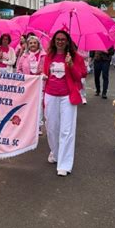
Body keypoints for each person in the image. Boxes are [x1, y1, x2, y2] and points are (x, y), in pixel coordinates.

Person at [43, 30, 86, 177]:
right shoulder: (49, 56)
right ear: (54, 41)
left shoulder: (76, 57)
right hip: (50, 95)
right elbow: (45, 74)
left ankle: (65, 164)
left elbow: (80, 76)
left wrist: (71, 65)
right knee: (51, 127)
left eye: (63, 39)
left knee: (66, 131)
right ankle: (55, 153)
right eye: (57, 39)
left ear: (67, 41)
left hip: (67, 97)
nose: (60, 41)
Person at [16, 35, 47, 135]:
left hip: (40, 84)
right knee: (27, 104)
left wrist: (43, 74)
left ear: (38, 44)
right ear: (28, 45)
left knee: (39, 105)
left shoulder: (44, 56)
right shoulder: (24, 57)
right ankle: (28, 125)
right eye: (31, 43)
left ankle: (38, 125)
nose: (33, 45)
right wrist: (24, 77)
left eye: (34, 43)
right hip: (28, 85)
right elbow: (18, 70)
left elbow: (47, 69)